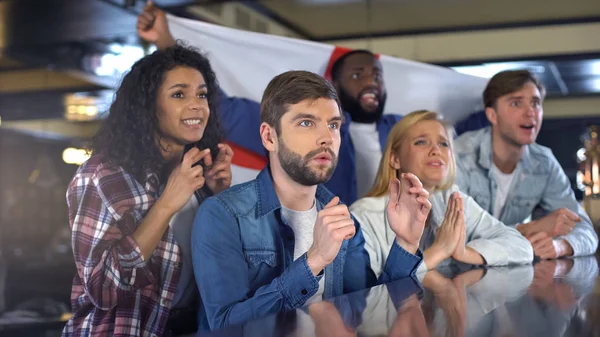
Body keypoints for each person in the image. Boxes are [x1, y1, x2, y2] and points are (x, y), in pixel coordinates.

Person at [191, 70, 430, 331]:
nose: (327, 137)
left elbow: (369, 309)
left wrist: (406, 244)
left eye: (333, 125)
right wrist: (314, 260)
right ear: (269, 137)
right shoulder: (221, 215)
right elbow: (224, 327)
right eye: (306, 122)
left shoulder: (343, 218)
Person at [136, 2, 402, 204]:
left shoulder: (404, 130)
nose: (371, 82)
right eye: (357, 75)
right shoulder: (289, 118)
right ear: (335, 85)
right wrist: (165, 40)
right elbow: (222, 110)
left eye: (377, 75)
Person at [62, 45, 233, 337]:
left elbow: (217, 270)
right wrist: (166, 205)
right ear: (148, 105)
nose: (196, 105)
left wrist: (217, 199)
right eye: (179, 94)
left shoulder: (197, 176)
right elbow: (103, 290)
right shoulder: (101, 175)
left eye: (202, 94)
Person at [350, 110, 533, 276]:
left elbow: (521, 246)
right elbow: (368, 296)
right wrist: (439, 251)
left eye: (443, 144)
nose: (436, 150)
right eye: (421, 142)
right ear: (395, 159)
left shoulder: (451, 199)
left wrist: (466, 253)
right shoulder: (363, 215)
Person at [454, 70, 598, 259]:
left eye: (535, 103)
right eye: (516, 103)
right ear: (492, 115)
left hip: (510, 273)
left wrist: (560, 246)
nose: (530, 112)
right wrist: (528, 229)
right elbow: (455, 238)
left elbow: (586, 230)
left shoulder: (544, 162)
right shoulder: (459, 155)